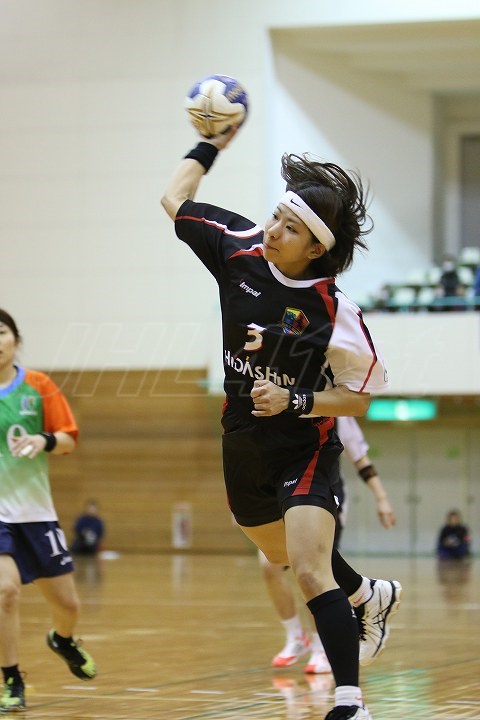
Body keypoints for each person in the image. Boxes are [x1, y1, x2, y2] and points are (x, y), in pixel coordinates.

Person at [161, 127, 402, 720]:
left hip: (305, 448)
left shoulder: (335, 312)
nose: (272, 231)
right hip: (243, 443)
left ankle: (349, 703)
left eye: (290, 229)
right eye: (275, 217)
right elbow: (174, 198)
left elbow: (359, 401)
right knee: (280, 553)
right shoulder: (238, 249)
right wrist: (210, 145)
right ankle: (369, 594)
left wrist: (298, 400)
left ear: (315, 249)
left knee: (311, 570)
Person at [0, 309, 96, 712]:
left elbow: (69, 438)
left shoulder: (39, 386)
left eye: (1, 332)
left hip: (36, 513)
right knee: (5, 592)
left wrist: (44, 440)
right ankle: (11, 678)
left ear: (16, 340)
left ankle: (62, 639)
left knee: (68, 605)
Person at [260, 415, 396, 674]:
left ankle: (322, 646)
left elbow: (361, 460)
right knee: (269, 566)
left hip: (321, 495)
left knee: (311, 573)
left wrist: (382, 498)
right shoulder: (280, 406)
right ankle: (296, 636)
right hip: (284, 493)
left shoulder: (338, 413)